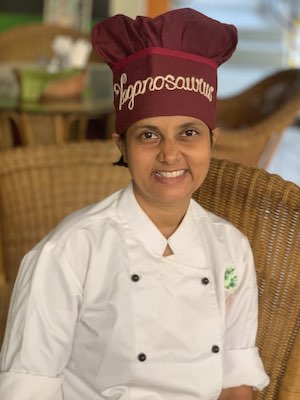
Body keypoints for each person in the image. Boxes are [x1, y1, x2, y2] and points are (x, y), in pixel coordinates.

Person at [0, 8, 269, 400]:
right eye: (148, 136)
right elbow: (29, 389)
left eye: (189, 133)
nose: (171, 155)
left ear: (212, 141)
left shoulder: (232, 250)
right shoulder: (68, 252)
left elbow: (235, 381)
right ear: (121, 146)